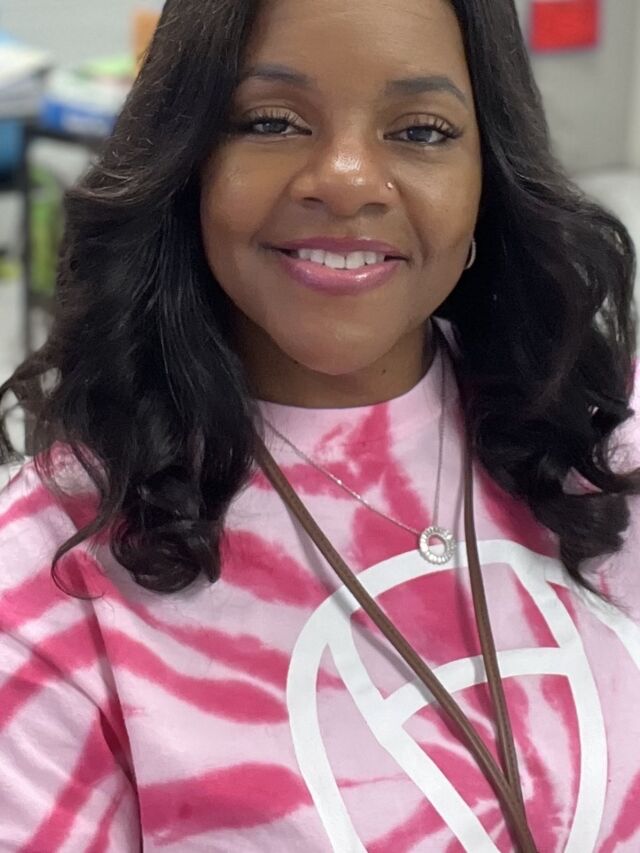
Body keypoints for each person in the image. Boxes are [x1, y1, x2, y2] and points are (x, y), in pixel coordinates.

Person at [1, 0, 639, 849]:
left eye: (421, 131)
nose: (345, 178)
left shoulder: (602, 444)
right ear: (188, 162)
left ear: (490, 175)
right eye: (271, 121)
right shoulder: (49, 571)